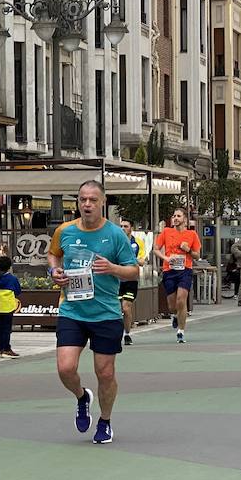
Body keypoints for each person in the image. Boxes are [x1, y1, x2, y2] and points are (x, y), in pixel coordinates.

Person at [49, 180, 140, 444]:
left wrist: (113, 268)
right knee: (66, 368)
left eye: (92, 200)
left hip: (105, 313)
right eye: (82, 200)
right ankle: (82, 397)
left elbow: (133, 270)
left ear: (102, 203)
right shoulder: (64, 230)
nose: (86, 204)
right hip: (72, 311)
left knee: (106, 373)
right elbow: (54, 256)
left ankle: (105, 421)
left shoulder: (115, 235)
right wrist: (54, 271)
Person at [154, 207, 203, 343]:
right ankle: (175, 315)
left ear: (185, 220)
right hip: (169, 270)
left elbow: (197, 255)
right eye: (174, 216)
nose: (175, 218)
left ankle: (181, 331)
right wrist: (166, 258)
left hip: (185, 270)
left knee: (181, 300)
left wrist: (188, 250)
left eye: (179, 216)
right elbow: (156, 250)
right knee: (171, 305)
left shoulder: (192, 235)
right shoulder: (166, 232)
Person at [118, 219, 147, 344]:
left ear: (131, 228)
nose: (123, 228)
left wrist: (129, 259)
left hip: (131, 279)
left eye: (126, 226)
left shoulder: (137, 242)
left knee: (126, 308)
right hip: (116, 280)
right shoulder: (115, 242)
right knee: (115, 309)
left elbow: (141, 261)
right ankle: (115, 333)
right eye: (121, 226)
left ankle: (127, 334)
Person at [0, 255, 22, 357]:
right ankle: (7, 349)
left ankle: (0, 349)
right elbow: (18, 291)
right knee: (7, 329)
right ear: (9, 267)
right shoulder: (12, 279)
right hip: (8, 306)